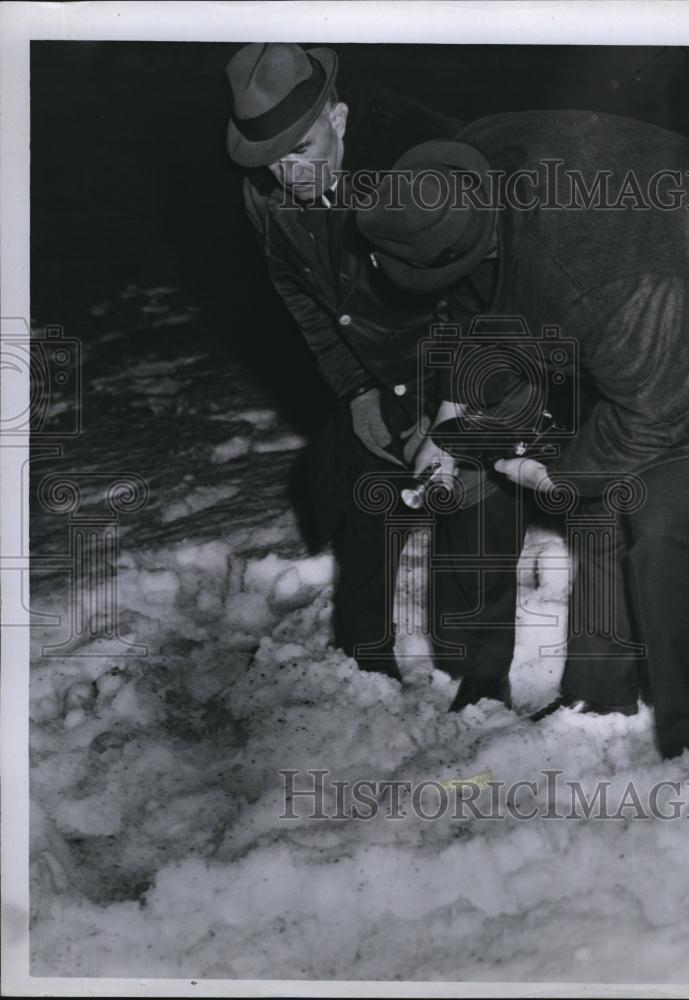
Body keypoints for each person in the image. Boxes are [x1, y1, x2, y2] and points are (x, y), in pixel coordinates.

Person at [356, 111, 689, 758]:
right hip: (636, 311)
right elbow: (476, 307)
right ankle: (599, 700)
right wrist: (452, 421)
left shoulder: (601, 271)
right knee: (602, 493)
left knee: (664, 516)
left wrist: (557, 473)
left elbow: (654, 412)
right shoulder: (463, 165)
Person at [225, 44, 526, 710]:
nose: (289, 171)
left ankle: (483, 677)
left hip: (461, 351)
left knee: (476, 491)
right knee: (364, 491)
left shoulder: (424, 167)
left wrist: (450, 409)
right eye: (272, 157)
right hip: (371, 361)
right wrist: (356, 389)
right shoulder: (266, 194)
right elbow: (298, 292)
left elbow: (483, 301)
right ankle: (367, 659)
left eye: (302, 146)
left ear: (339, 114)